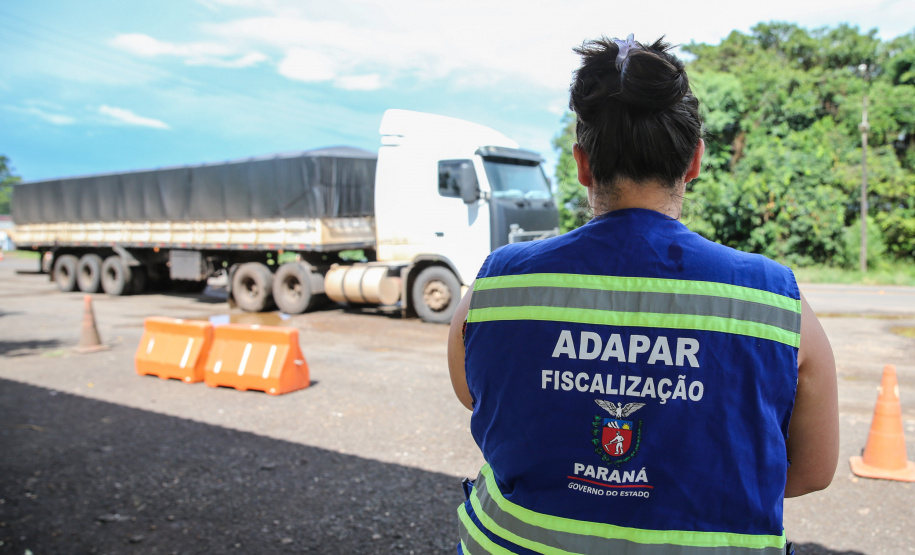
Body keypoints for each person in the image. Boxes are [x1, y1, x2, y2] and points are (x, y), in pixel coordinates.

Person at [447, 34, 839, 555]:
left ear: (583, 165)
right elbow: (813, 469)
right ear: (694, 162)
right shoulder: (775, 301)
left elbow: (482, 402)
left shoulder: (495, 286)